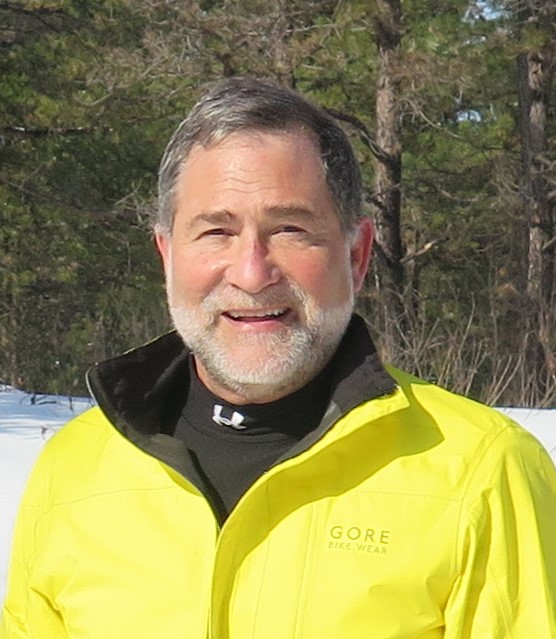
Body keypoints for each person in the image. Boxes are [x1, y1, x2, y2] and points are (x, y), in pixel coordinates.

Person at [2, 77, 556, 639]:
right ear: (167, 255)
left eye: (290, 230)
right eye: (216, 231)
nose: (251, 272)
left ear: (357, 255)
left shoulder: (482, 472)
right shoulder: (74, 468)